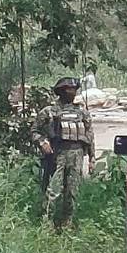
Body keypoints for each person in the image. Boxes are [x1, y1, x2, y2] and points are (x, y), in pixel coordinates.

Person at [36, 76, 95, 227]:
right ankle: (46, 224)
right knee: (53, 191)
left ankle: (66, 224)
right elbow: (35, 131)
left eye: (74, 90)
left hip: (77, 155)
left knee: (72, 192)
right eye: (69, 90)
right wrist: (43, 142)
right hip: (58, 154)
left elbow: (89, 135)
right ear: (61, 91)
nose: (72, 93)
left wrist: (92, 159)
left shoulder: (82, 113)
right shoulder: (49, 112)